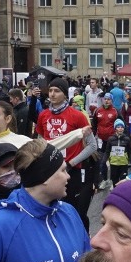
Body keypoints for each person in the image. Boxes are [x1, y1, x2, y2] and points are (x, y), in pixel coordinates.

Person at [34, 78, 98, 230]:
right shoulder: (43, 115)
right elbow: (40, 142)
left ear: (65, 94)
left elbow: (92, 146)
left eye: (57, 91)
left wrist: (71, 163)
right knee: (50, 210)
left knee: (72, 211)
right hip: (49, 171)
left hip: (71, 171)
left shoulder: (77, 115)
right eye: (50, 90)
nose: (52, 94)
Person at [92, 93, 118, 190]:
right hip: (101, 140)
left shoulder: (115, 111)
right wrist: (93, 136)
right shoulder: (98, 110)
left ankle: (113, 181)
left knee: (113, 161)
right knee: (102, 162)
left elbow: (121, 125)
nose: (106, 101)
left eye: (108, 99)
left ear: (111, 100)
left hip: (112, 140)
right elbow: (94, 125)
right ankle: (104, 180)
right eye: (105, 99)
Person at [104, 119, 131, 187]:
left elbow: (130, 152)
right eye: (118, 127)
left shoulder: (127, 139)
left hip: (123, 164)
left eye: (122, 127)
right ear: (115, 128)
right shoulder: (110, 139)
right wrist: (104, 161)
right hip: (114, 163)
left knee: (123, 181)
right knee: (114, 181)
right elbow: (107, 151)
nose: (120, 129)